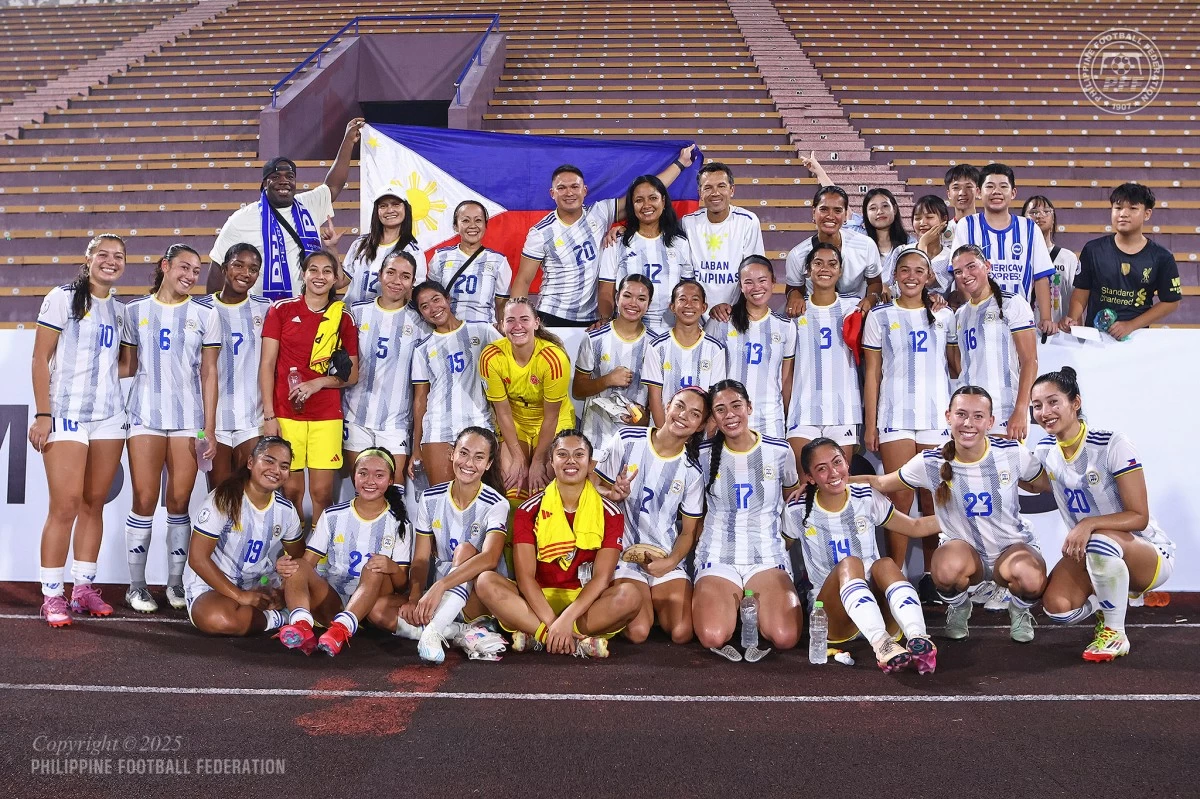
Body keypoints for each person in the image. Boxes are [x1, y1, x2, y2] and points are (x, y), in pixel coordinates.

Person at [854, 386, 1047, 643]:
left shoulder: (1012, 454)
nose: (969, 423)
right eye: (961, 414)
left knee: (1031, 578)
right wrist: (826, 483)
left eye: (978, 416)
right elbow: (880, 483)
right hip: (965, 554)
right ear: (948, 417)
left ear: (990, 422)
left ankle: (1019, 610)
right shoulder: (930, 461)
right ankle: (959, 606)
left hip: (1010, 550)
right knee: (945, 571)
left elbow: (1047, 483)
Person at [1026, 367, 1175, 661]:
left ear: (1075, 403)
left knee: (1099, 539)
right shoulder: (1045, 449)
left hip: (1146, 552)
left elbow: (1139, 516)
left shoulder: (1112, 443)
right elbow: (1033, 484)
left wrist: (1090, 524)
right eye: (1037, 405)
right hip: (1092, 551)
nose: (1045, 412)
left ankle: (1115, 632)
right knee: (1059, 609)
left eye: (1054, 402)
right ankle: (1109, 601)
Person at [29, 234, 128, 626]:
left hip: (108, 415)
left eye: (118, 256)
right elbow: (40, 358)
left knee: (94, 502)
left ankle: (83, 587)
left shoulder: (120, 310)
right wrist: (43, 414)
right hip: (66, 412)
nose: (110, 261)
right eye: (102, 254)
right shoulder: (62, 297)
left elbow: (124, 364)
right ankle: (52, 595)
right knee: (65, 504)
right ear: (87, 259)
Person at [475, 429, 640, 657]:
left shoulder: (610, 512)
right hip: (537, 601)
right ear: (551, 463)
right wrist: (555, 624)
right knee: (485, 581)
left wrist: (567, 619)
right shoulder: (528, 510)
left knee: (630, 595)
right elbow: (525, 578)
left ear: (590, 463)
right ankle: (564, 639)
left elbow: (601, 578)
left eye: (579, 454)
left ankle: (544, 636)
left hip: (583, 605)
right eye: (562, 454)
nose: (571, 461)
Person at [120, 244, 220, 614]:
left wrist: (207, 427)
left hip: (187, 420)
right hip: (145, 415)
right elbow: (126, 366)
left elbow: (209, 373)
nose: (191, 276)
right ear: (165, 265)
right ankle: (136, 586)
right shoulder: (134, 312)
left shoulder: (204, 314)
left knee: (179, 502)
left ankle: (175, 583)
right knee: (144, 501)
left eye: (196, 271)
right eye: (184, 267)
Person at [786, 438, 938, 673]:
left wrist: (957, 520)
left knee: (885, 564)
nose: (833, 472)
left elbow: (914, 527)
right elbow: (778, 549)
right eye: (821, 469)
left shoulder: (865, 496)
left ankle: (918, 636)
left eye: (837, 462)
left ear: (847, 463)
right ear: (810, 478)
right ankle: (881, 644)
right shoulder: (797, 508)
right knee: (851, 563)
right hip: (834, 619)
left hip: (878, 610)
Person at [511, 149, 694, 326]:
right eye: (561, 188)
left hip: (592, 317)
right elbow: (523, 280)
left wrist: (680, 163)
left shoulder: (599, 213)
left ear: (584, 190)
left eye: (575, 186)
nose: (569, 193)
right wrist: (516, 319)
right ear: (552, 193)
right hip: (552, 314)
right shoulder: (540, 232)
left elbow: (644, 194)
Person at [863, 248, 958, 579]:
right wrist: (871, 423)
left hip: (936, 419)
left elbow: (956, 366)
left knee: (936, 503)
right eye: (905, 270)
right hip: (896, 417)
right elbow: (872, 374)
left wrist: (948, 319)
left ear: (929, 277)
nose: (912, 276)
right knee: (899, 503)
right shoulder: (879, 317)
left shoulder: (945, 317)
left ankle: (936, 579)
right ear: (895, 275)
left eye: (920, 270)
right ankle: (896, 578)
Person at [692, 380, 802, 661]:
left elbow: (792, 504)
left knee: (785, 637)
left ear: (749, 407)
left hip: (765, 556)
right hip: (718, 556)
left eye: (736, 405)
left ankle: (750, 606)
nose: (729, 414)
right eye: (720, 409)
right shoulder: (703, 454)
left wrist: (784, 544)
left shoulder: (780, 451)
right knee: (712, 636)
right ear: (713, 418)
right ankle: (734, 607)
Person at [594, 387, 710, 644]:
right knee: (638, 633)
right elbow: (589, 487)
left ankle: (650, 600)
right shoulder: (627, 439)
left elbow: (689, 532)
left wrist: (670, 563)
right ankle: (636, 601)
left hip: (664, 556)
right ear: (667, 406)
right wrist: (610, 493)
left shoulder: (692, 472)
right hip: (623, 555)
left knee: (681, 633)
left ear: (700, 425)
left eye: (694, 414)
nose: (682, 415)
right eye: (679, 406)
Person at [275, 449, 413, 656]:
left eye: (379, 475)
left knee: (374, 567)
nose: (370, 481)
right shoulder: (333, 515)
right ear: (354, 475)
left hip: (373, 605)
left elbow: (402, 586)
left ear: (391, 480)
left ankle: (342, 629)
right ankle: (302, 626)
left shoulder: (399, 523)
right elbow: (307, 563)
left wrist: (391, 567)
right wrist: (287, 569)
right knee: (298, 564)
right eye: (363, 473)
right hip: (335, 602)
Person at [207, 118, 364, 299]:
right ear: (265, 183)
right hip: (265, 312)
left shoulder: (308, 204)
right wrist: (219, 311)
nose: (284, 181)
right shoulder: (241, 219)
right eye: (276, 176)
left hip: (309, 308)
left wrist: (348, 141)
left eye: (290, 176)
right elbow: (218, 268)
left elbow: (334, 184)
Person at [391, 427, 511, 663]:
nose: (469, 463)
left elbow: (489, 559)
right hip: (443, 594)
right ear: (452, 454)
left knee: (465, 550)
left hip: (480, 594)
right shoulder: (430, 498)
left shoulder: (497, 502)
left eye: (479, 457)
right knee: (379, 610)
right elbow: (422, 559)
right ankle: (461, 634)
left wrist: (440, 586)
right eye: (464, 453)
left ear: (488, 464)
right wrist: (415, 597)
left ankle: (434, 631)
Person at [259, 250, 359, 533]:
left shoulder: (343, 318)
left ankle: (318, 561)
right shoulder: (281, 310)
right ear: (303, 274)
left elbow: (352, 375)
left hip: (326, 416)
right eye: (313, 270)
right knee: (290, 494)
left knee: (322, 495)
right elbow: (267, 364)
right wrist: (269, 415)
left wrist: (318, 383)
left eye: (327, 271)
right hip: (286, 414)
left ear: (336, 278)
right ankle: (293, 558)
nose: (320, 276)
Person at [183, 437, 302, 636]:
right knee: (219, 619)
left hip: (261, 583)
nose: (275, 470)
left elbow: (299, 559)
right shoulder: (223, 498)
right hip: (212, 585)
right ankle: (283, 618)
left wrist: (283, 589)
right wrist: (241, 597)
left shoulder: (286, 510)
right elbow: (197, 559)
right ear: (250, 462)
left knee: (314, 590)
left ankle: (283, 611)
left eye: (284, 466)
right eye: (269, 461)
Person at [479, 297, 576, 498]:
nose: (517, 326)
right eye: (510, 320)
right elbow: (502, 412)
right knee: (512, 486)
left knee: (544, 488)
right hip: (515, 423)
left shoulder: (553, 359)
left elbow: (551, 417)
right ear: (501, 325)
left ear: (536, 322)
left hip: (552, 422)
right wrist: (517, 456)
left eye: (524, 319)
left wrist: (539, 461)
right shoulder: (490, 357)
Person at [342, 252, 424, 481]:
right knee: (362, 489)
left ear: (412, 282)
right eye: (391, 273)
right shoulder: (356, 313)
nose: (397, 281)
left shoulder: (420, 323)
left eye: (405, 276)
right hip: (355, 417)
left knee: (393, 492)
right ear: (379, 275)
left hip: (396, 424)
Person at [410, 281, 500, 487]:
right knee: (442, 499)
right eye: (424, 306)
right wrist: (416, 447)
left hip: (479, 423)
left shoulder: (483, 331)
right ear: (421, 314)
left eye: (436, 300)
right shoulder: (422, 349)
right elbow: (420, 399)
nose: (433, 308)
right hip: (438, 429)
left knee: (480, 499)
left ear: (448, 299)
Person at [1061, 183, 1181, 338]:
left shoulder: (1162, 257)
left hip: (1137, 339)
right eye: (1118, 208)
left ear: (1147, 213)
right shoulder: (1093, 249)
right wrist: (1073, 318)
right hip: (1096, 339)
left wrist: (1131, 325)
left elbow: (1171, 302)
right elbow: (1081, 291)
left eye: (1132, 208)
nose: (1123, 214)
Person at [950, 163, 1056, 335]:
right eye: (990, 186)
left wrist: (1045, 318)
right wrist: (974, 313)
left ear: (1013, 193)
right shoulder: (967, 226)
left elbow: (1041, 276)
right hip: (978, 320)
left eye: (1003, 186)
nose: (996, 192)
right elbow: (960, 276)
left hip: (1019, 320)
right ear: (978, 192)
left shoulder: (1029, 228)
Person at [950, 244, 1038, 441]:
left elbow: (1030, 361)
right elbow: (960, 365)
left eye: (971, 266)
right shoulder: (960, 315)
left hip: (1004, 410)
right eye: (958, 271)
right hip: (969, 413)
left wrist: (1021, 410)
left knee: (1003, 471)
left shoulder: (1012, 304)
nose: (965, 274)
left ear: (987, 266)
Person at [786, 243, 861, 466]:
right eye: (817, 263)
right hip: (803, 410)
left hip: (843, 410)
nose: (824, 269)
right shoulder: (795, 312)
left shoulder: (854, 307)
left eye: (832, 264)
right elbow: (787, 369)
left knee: (838, 482)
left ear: (840, 270)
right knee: (803, 480)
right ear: (808, 270)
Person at [204, 243, 271, 490]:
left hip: (252, 419)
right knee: (220, 494)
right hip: (214, 421)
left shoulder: (266, 310)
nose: (245, 273)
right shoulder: (202, 310)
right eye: (238, 265)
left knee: (251, 492)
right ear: (224, 269)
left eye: (253, 269)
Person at [706, 256, 795, 438]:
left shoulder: (786, 326)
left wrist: (789, 418)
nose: (756, 288)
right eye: (748, 282)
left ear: (773, 282)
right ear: (740, 286)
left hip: (771, 419)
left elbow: (786, 380)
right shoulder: (722, 321)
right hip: (729, 418)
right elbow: (706, 372)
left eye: (762, 280)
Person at [574, 274, 655, 462]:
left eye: (641, 298)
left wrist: (645, 418)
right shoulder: (594, 338)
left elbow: (657, 397)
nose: (633, 303)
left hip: (636, 439)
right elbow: (578, 390)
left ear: (648, 305)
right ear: (617, 297)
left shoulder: (656, 345)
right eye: (627, 296)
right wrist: (607, 380)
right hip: (595, 439)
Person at [597, 175, 694, 328]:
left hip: (670, 329)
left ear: (663, 201)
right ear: (631, 205)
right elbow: (606, 291)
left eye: (653, 198)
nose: (646, 205)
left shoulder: (680, 242)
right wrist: (606, 322)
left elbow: (687, 290)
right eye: (639, 200)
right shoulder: (617, 242)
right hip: (627, 328)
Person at [785, 186, 883, 317]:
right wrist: (794, 296)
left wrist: (870, 299)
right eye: (824, 209)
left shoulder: (866, 245)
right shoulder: (797, 254)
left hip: (856, 316)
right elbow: (793, 288)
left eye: (837, 210)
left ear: (845, 215)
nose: (830, 216)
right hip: (815, 315)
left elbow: (875, 282)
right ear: (813, 212)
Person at [643, 279, 728, 427]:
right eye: (682, 299)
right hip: (664, 433)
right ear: (672, 307)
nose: (688, 305)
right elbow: (654, 398)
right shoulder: (657, 347)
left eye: (695, 300)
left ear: (704, 307)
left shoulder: (715, 349)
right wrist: (665, 435)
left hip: (700, 436)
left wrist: (702, 437)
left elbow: (715, 400)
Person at [427, 200, 511, 325]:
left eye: (478, 220)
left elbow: (502, 307)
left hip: (485, 334)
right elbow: (431, 300)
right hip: (448, 331)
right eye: (466, 220)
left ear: (485, 225)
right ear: (455, 226)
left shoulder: (499, 261)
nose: (472, 225)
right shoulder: (440, 257)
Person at [341, 187, 426, 304]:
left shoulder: (413, 251)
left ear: (406, 209)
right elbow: (341, 281)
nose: (390, 210)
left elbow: (414, 294)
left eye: (396, 204)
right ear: (377, 211)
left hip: (387, 319)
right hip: (351, 317)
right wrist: (332, 247)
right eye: (383, 206)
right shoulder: (361, 243)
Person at [1022, 196, 1078, 326]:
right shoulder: (1016, 257)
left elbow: (1075, 298)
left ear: (1053, 219)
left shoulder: (1068, 258)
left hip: (1060, 334)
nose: (1040, 216)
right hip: (1024, 332)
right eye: (1033, 212)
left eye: (1046, 211)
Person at [862, 188, 916, 288]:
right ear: (866, 213)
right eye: (873, 208)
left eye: (885, 206)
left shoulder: (910, 244)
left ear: (894, 209)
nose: (879, 211)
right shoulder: (861, 245)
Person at [912, 195, 956, 297]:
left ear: (944, 220)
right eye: (917, 218)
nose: (922, 223)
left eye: (929, 217)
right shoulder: (902, 251)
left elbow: (927, 280)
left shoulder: (950, 257)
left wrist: (923, 244)